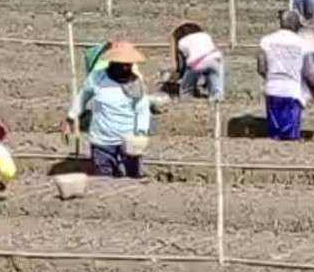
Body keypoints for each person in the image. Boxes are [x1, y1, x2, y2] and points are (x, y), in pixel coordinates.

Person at [66, 41, 152, 178]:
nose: (126, 67)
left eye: (129, 64)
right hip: (101, 141)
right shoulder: (97, 78)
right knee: (104, 179)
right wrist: (71, 117)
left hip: (128, 141)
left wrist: (141, 132)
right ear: (112, 63)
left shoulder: (136, 82)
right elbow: (82, 97)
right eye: (123, 64)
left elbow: (142, 109)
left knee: (131, 178)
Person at [257, 10, 314, 141]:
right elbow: (308, 75)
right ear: (295, 25)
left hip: (272, 91)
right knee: (290, 137)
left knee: (274, 135)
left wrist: (270, 79)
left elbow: (261, 68)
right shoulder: (303, 44)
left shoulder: (266, 41)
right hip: (292, 92)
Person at [172, 22, 225, 101]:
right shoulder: (205, 35)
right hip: (216, 59)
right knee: (214, 78)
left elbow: (183, 63)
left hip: (197, 62)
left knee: (186, 88)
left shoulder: (181, 42)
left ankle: (187, 96)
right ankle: (216, 96)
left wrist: (180, 75)